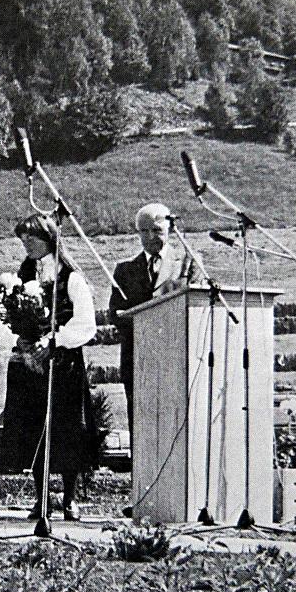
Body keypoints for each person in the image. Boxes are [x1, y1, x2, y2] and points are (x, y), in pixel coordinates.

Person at [0, 213, 98, 521]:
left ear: (49, 239)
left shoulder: (71, 278)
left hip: (62, 363)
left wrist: (54, 341)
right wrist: (22, 342)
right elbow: (3, 317)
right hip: (30, 365)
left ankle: (69, 498)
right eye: (23, 240)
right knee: (33, 428)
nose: (27, 245)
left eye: (33, 239)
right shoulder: (20, 276)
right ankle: (41, 499)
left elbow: (85, 323)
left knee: (67, 429)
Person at [108, 202, 196, 474]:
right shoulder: (125, 270)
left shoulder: (187, 264)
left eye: (156, 230)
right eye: (143, 231)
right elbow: (115, 314)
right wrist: (137, 321)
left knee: (174, 424)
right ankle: (141, 490)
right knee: (141, 425)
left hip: (173, 358)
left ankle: (174, 488)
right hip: (138, 359)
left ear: (170, 228)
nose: (149, 237)